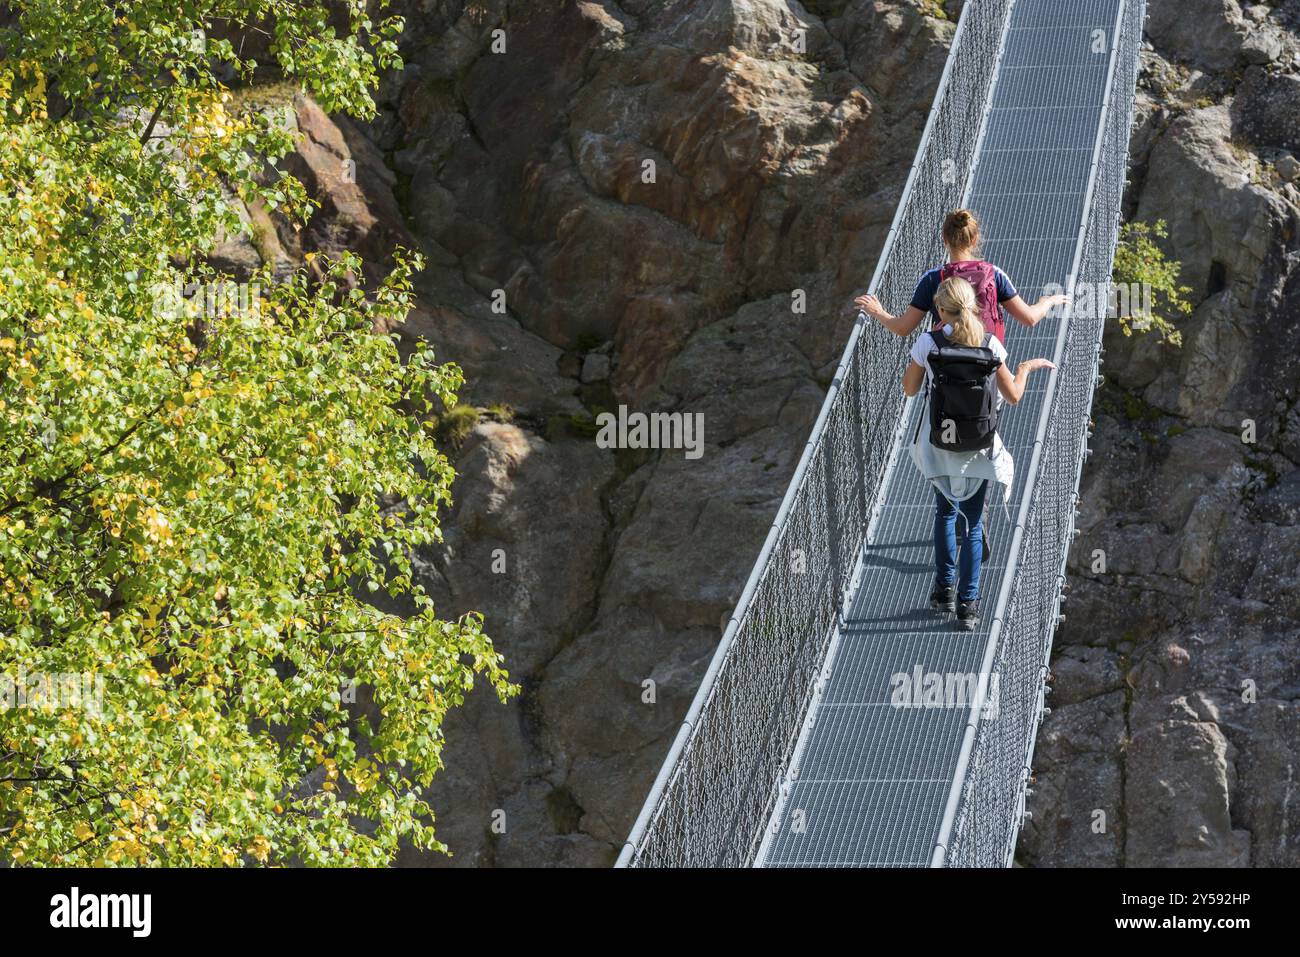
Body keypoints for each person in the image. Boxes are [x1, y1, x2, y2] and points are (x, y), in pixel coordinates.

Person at [904, 276, 1055, 631]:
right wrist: (1025, 369)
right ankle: (968, 606)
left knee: (943, 515)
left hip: (940, 445)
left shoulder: (928, 342)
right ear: (973, 305)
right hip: (978, 446)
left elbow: (909, 389)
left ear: (940, 310)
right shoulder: (991, 345)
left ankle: (944, 591)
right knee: (972, 524)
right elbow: (1014, 397)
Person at [855, 208, 1067, 343]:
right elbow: (1029, 318)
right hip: (988, 363)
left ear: (944, 239)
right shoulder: (994, 274)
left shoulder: (932, 279)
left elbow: (903, 328)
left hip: (947, 368)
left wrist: (878, 311)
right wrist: (1047, 301)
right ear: (975, 239)